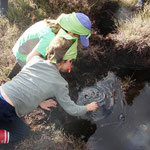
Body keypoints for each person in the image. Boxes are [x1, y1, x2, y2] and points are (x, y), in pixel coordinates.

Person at [0, 35, 98, 144]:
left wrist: (40, 101)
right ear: (68, 60)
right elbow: (71, 109)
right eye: (71, 62)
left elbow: (30, 83)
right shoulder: (60, 83)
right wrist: (87, 107)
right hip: (5, 110)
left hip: (2, 91)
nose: (71, 65)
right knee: (22, 132)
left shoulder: (35, 60)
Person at [8, 12, 92, 79]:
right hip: (24, 55)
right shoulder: (50, 37)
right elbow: (29, 59)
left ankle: (13, 76)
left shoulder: (58, 26)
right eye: (78, 37)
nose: (78, 40)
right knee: (39, 80)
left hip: (30, 48)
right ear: (71, 32)